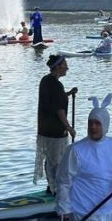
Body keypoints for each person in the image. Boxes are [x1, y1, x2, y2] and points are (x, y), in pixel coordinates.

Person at [33, 55, 77, 195]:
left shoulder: (46, 80)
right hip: (55, 130)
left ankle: (51, 185)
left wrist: (69, 93)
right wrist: (69, 127)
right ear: (58, 67)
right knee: (57, 161)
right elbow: (59, 109)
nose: (67, 68)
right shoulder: (56, 84)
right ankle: (56, 190)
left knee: (51, 159)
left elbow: (55, 98)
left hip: (45, 128)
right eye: (65, 65)